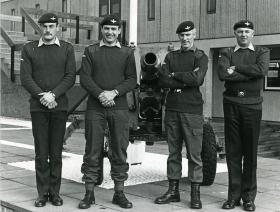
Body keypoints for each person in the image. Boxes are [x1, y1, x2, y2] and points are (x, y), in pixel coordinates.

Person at [78, 14, 137, 209]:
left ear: (119, 31)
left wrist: (114, 93)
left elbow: (131, 80)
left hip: (119, 108)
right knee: (92, 150)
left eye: (114, 29)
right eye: (106, 29)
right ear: (101, 30)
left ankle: (119, 193)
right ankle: (89, 193)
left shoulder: (127, 53)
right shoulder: (91, 51)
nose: (110, 32)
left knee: (119, 150)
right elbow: (85, 78)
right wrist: (101, 94)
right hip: (95, 108)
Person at [20, 13, 76, 207]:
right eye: (44, 26)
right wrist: (43, 96)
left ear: (57, 28)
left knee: (56, 153)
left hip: (59, 107)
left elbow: (70, 76)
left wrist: (53, 95)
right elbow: (26, 78)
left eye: (51, 26)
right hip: (38, 108)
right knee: (41, 153)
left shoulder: (67, 49)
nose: (48, 30)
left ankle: (55, 193)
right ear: (40, 28)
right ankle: (42, 193)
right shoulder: (29, 49)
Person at [154, 21, 208, 209]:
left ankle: (195, 194)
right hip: (172, 109)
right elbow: (163, 80)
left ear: (194, 34)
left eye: (189, 35)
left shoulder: (200, 56)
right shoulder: (171, 56)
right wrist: (185, 78)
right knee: (173, 153)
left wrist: (174, 75)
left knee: (194, 154)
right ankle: (173, 191)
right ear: (178, 36)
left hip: (192, 111)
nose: (185, 38)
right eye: (182, 35)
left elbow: (198, 79)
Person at [218, 20, 270, 211]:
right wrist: (248, 73)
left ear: (253, 34)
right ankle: (233, 197)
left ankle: (248, 197)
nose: (243, 35)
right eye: (240, 31)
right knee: (233, 152)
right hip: (231, 105)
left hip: (252, 106)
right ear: (235, 33)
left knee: (250, 153)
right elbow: (223, 74)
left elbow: (261, 70)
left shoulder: (261, 52)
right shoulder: (226, 52)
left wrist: (236, 69)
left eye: (247, 31)